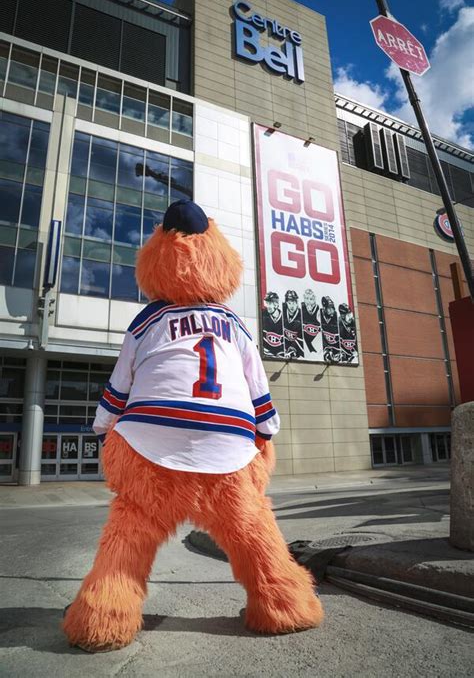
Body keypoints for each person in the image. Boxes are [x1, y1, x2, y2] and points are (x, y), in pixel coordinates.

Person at [62, 200, 323, 652]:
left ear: (156, 259)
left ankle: (103, 619)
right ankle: (284, 605)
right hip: (227, 453)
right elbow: (259, 393)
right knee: (252, 526)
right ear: (219, 259)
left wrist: (103, 428)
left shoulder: (146, 321)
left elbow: (118, 387)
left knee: (130, 527)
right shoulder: (234, 324)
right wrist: (265, 434)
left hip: (150, 445)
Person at [262, 291, 285, 357]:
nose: (267, 306)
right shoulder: (263, 315)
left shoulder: (284, 319)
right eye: (266, 303)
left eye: (269, 303)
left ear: (276, 304)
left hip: (279, 355)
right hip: (266, 354)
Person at [282, 290, 304, 358]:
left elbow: (302, 338)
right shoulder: (282, 312)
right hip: (285, 349)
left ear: (297, 303)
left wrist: (293, 348)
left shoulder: (302, 315)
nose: (292, 306)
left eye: (294, 303)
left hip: (298, 351)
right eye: (289, 303)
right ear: (286, 303)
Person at [301, 288, 321, 354]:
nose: (308, 301)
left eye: (311, 299)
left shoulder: (318, 310)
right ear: (304, 298)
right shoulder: (301, 307)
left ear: (314, 299)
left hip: (316, 345)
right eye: (306, 298)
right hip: (304, 344)